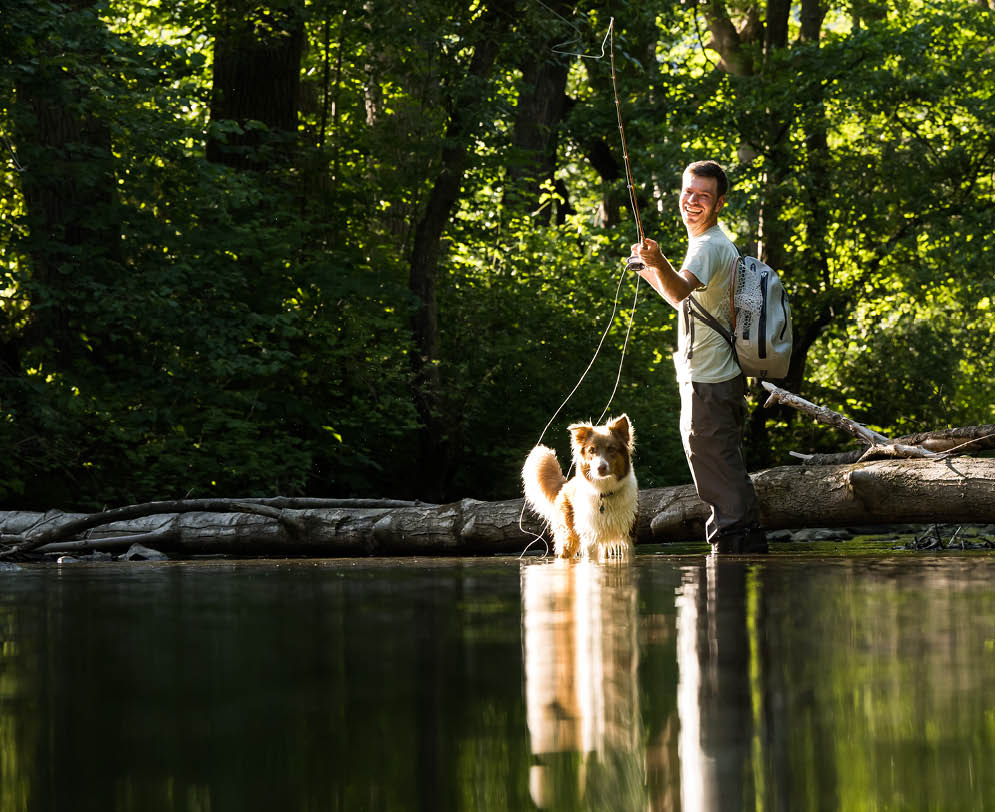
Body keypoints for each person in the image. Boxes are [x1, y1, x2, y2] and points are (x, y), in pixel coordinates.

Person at [630, 160, 767, 554]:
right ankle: (740, 557)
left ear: (719, 203)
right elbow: (685, 301)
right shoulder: (708, 244)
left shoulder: (708, 246)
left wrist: (659, 264)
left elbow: (679, 293)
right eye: (688, 192)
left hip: (709, 379)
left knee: (718, 474)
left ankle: (735, 557)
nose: (692, 201)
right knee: (720, 469)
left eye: (703, 196)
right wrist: (650, 271)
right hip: (711, 378)